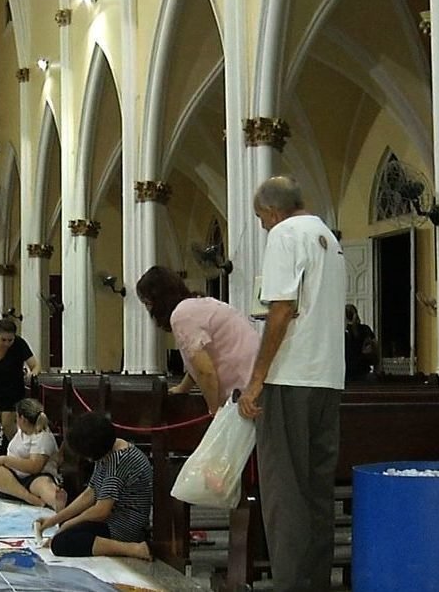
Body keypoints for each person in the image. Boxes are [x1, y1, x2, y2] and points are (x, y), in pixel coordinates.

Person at [238, 175, 346, 592]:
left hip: (290, 379)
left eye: (261, 219)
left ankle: (289, 585)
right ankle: (315, 583)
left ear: (273, 211)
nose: (264, 227)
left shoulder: (284, 234)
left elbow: (281, 310)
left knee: (284, 494)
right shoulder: (328, 238)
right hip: (327, 379)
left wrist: (256, 381)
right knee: (318, 492)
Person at [136, 266, 260, 415]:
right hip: (258, 381)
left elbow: (205, 372)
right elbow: (200, 361)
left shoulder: (181, 316)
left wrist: (214, 411)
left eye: (147, 303)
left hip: (245, 392)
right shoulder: (199, 304)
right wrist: (183, 388)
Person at [35, 412, 152, 560]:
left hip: (126, 525)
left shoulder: (119, 461)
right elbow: (90, 493)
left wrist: (68, 524)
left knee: (61, 543)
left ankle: (133, 549)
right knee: (67, 532)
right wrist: (54, 520)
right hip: (111, 519)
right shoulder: (110, 450)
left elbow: (101, 511)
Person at [0, 398, 67, 510]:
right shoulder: (22, 430)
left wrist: (5, 460)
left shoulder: (42, 437)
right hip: (13, 477)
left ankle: (56, 501)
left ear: (22, 419)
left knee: (43, 486)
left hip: (36, 477)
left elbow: (34, 467)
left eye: (17, 416)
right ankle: (26, 497)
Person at [344, 304, 377, 382]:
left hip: (347, 370)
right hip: (363, 369)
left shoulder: (342, 331)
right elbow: (374, 347)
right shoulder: (365, 329)